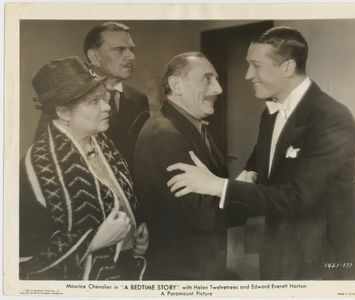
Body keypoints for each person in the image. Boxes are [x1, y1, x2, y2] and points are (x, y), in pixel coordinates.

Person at [167, 27, 355, 280]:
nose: (248, 75)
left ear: (287, 68)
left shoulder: (331, 118)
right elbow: (260, 163)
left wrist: (219, 186)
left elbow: (297, 198)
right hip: (276, 258)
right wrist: (247, 175)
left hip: (319, 266)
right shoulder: (270, 113)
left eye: (256, 66)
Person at [20, 56, 148, 280]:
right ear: (63, 113)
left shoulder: (104, 144)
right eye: (94, 101)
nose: (107, 106)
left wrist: (136, 238)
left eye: (105, 98)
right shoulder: (38, 166)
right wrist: (94, 241)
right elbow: (26, 257)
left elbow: (123, 202)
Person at [133, 52, 244, 280]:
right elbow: (206, 215)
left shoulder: (188, 125)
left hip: (200, 269)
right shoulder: (164, 135)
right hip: (184, 275)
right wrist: (243, 190)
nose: (218, 89)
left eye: (217, 79)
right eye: (207, 79)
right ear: (176, 85)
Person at [34, 22, 149, 168]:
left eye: (131, 49)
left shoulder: (139, 99)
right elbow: (45, 159)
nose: (131, 56)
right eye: (119, 50)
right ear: (94, 57)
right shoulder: (65, 97)